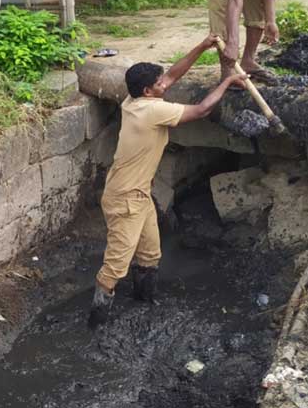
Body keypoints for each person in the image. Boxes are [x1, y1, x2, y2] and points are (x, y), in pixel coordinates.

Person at [88, 34, 249, 328]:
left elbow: (172, 75)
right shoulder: (152, 111)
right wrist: (226, 83)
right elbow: (201, 111)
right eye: (159, 84)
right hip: (126, 199)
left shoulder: (133, 100)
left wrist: (202, 47)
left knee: (150, 253)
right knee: (116, 265)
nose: (166, 84)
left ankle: (143, 301)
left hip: (138, 194)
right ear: (149, 91)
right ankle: (96, 321)